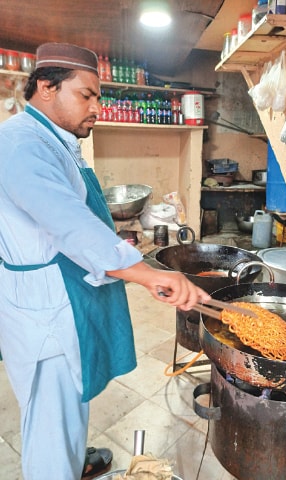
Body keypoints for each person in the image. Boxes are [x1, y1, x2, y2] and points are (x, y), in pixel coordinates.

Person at [0, 42, 210, 480]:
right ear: (45, 87)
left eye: (98, 96)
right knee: (50, 420)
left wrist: (140, 269)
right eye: (86, 95)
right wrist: (149, 274)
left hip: (66, 292)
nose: (97, 106)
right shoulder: (21, 144)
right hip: (47, 309)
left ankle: (73, 462)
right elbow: (72, 224)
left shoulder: (53, 139)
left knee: (71, 399)